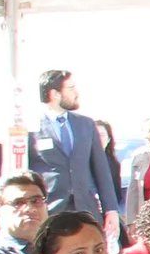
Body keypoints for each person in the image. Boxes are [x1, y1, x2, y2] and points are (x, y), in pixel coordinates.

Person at [25, 69, 122, 231]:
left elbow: (101, 170)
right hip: (49, 211)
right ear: (54, 93)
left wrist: (110, 209)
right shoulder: (30, 128)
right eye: (70, 88)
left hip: (85, 209)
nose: (76, 93)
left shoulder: (86, 124)